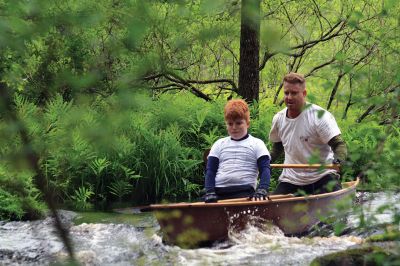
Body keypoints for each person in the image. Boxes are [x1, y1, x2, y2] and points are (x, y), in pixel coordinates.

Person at [269, 72, 347, 195]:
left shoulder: (319, 117)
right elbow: (277, 147)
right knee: (271, 208)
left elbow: (339, 144)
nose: (289, 97)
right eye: (286, 93)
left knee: (333, 207)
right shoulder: (278, 119)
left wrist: (338, 160)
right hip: (291, 179)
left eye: (294, 93)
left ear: (304, 94)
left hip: (322, 175)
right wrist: (266, 161)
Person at [204, 99, 271, 203]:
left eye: (239, 123)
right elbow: (210, 171)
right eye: (230, 124)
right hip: (218, 192)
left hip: (245, 192)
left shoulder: (257, 143)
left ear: (247, 123)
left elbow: (265, 169)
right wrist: (209, 191)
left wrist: (262, 189)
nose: (234, 127)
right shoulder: (218, 144)